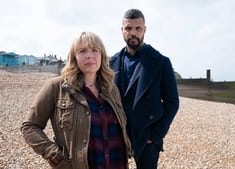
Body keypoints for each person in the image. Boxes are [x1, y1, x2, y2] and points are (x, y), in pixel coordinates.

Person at [21, 32, 132, 169]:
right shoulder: (56, 87)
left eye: (94, 50)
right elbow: (30, 126)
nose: (89, 55)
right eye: (82, 51)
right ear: (74, 57)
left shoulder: (111, 88)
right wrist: (52, 153)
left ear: (102, 56)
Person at [109, 9, 180, 169]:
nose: (133, 33)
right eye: (128, 28)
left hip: (146, 134)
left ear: (144, 30)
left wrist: (156, 135)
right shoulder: (110, 63)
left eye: (137, 28)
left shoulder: (161, 62)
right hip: (117, 133)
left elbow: (172, 102)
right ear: (122, 30)